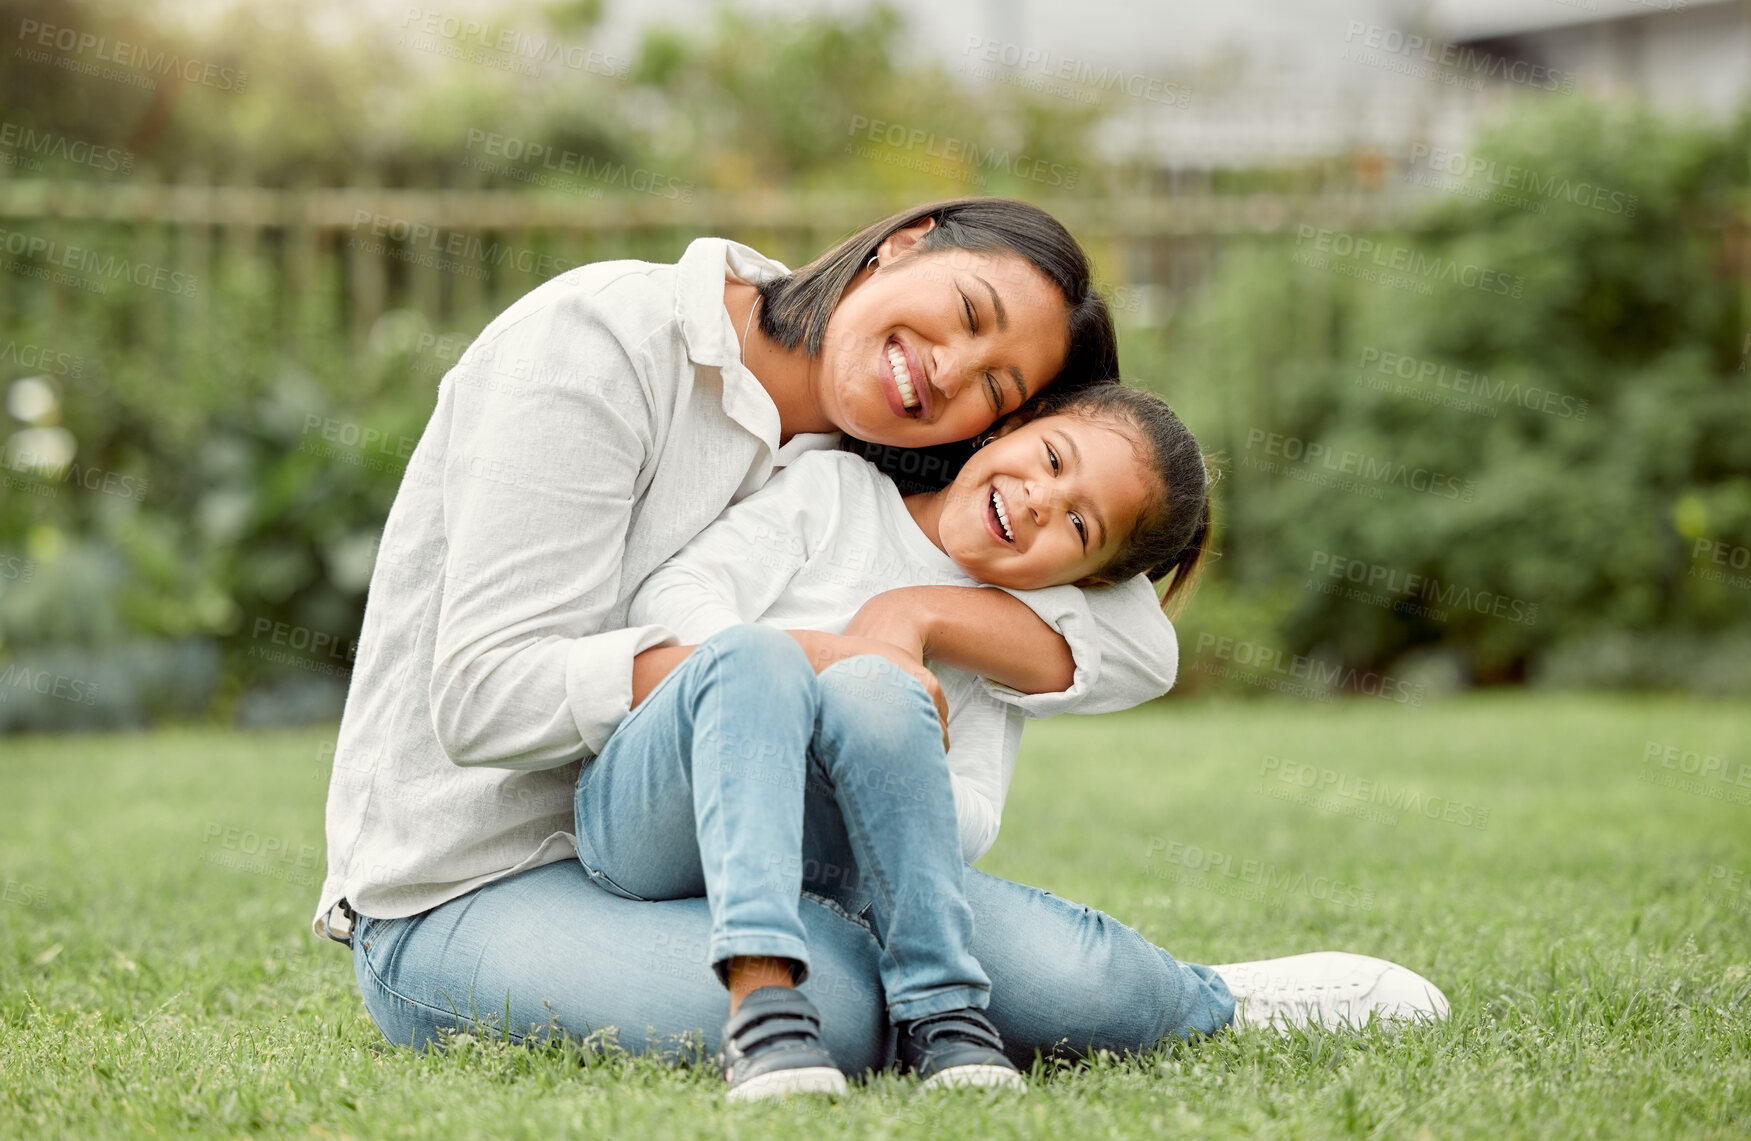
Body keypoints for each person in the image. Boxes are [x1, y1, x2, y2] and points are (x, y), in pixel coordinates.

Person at [316, 197, 1447, 1080]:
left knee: (967, 962)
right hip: (479, 888)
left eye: (992, 387)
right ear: (901, 245)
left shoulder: (874, 468)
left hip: (734, 853)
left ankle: (1210, 998)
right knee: (851, 1001)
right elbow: (482, 698)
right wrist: (803, 662)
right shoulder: (608, 343)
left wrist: (920, 616)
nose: (943, 371)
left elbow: (1136, 638)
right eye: (965, 314)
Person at [586, 383, 1212, 1099]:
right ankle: (762, 1007)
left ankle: (942, 1015)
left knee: (878, 695)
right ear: (1012, 425)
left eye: (1077, 521)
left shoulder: (1000, 636)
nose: (1042, 499)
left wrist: (896, 745)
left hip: (826, 876)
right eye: (1049, 457)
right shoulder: (835, 495)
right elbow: (672, 597)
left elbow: (969, 821)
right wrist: (828, 657)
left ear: (1092, 579)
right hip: (655, 814)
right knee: (770, 661)